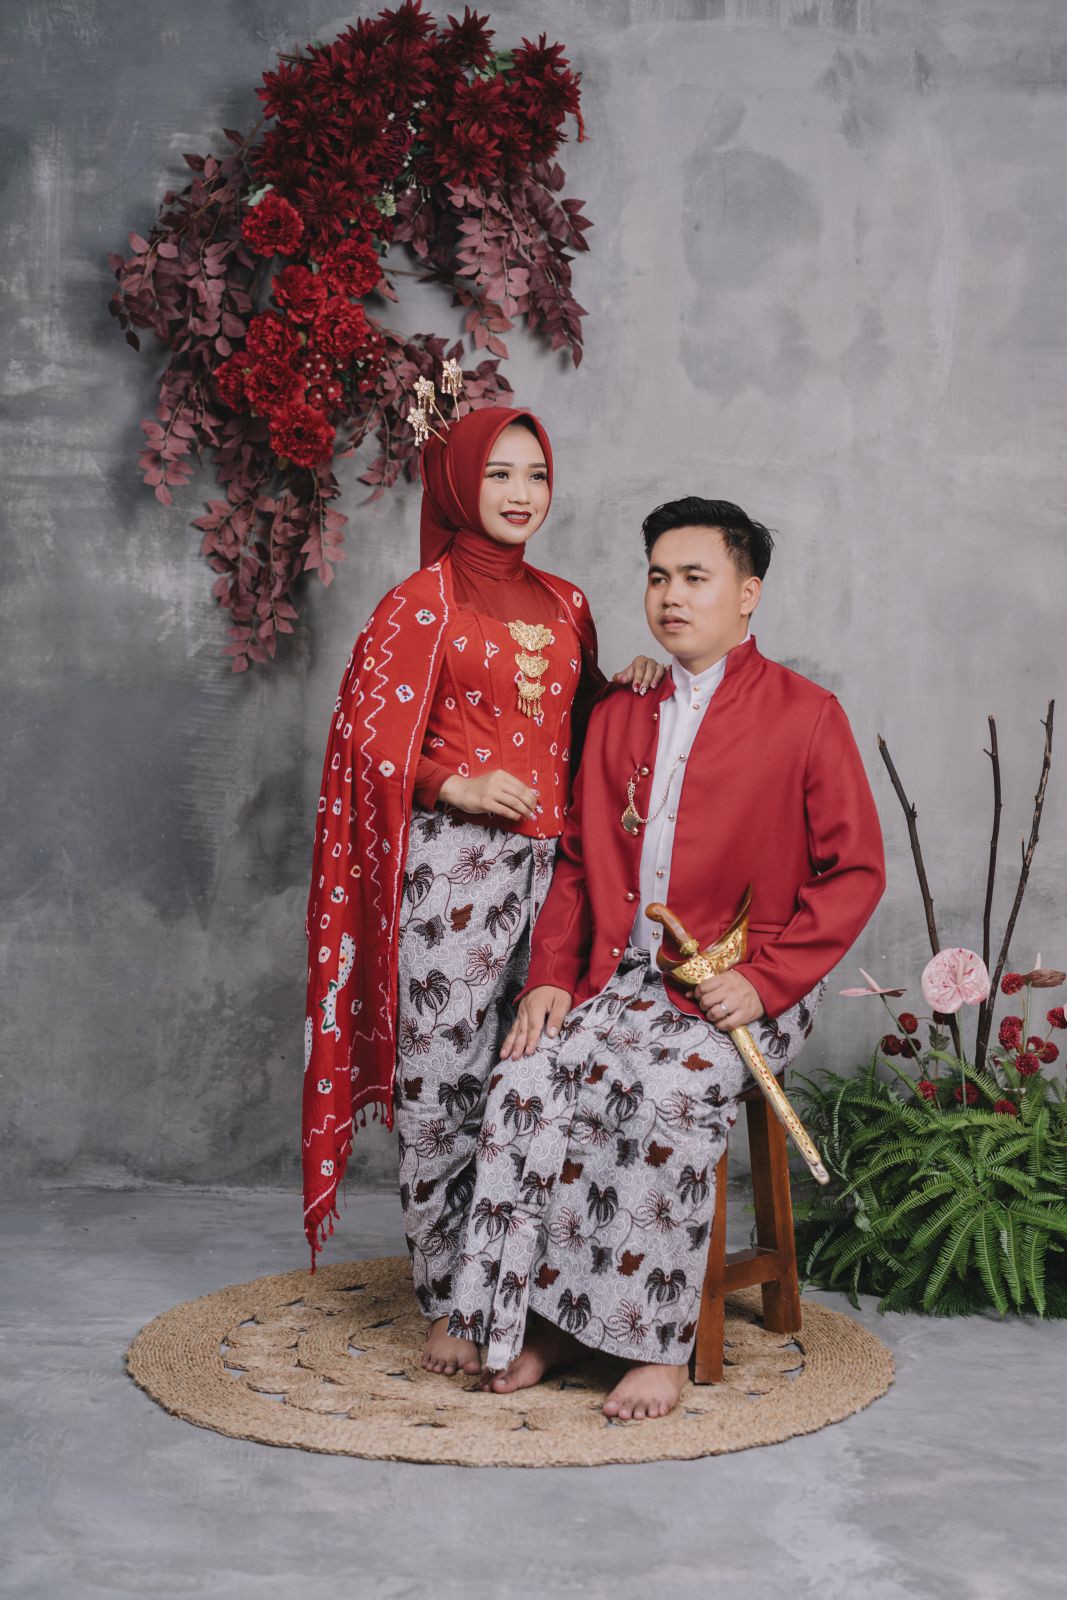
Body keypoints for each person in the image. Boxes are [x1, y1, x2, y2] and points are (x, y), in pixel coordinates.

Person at [442, 496, 886, 1420]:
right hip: (619, 980)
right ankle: (542, 1323)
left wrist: (763, 982)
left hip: (747, 985)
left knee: (664, 1095)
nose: (671, 596)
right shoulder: (619, 712)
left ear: (747, 593)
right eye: (657, 577)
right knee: (526, 1079)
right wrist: (550, 976)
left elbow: (854, 873)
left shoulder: (807, 715)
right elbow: (575, 861)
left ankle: (653, 1347)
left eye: (695, 577)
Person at [301, 400, 664, 1378]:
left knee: (534, 1081)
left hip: (557, 876)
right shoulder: (419, 603)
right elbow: (361, 745)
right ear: (460, 484)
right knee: (442, 1088)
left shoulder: (567, 602)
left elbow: (584, 734)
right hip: (453, 876)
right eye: (499, 474)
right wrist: (449, 784)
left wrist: (628, 687)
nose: (520, 493)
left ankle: (525, 1299)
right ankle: (446, 1301)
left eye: (535, 475)